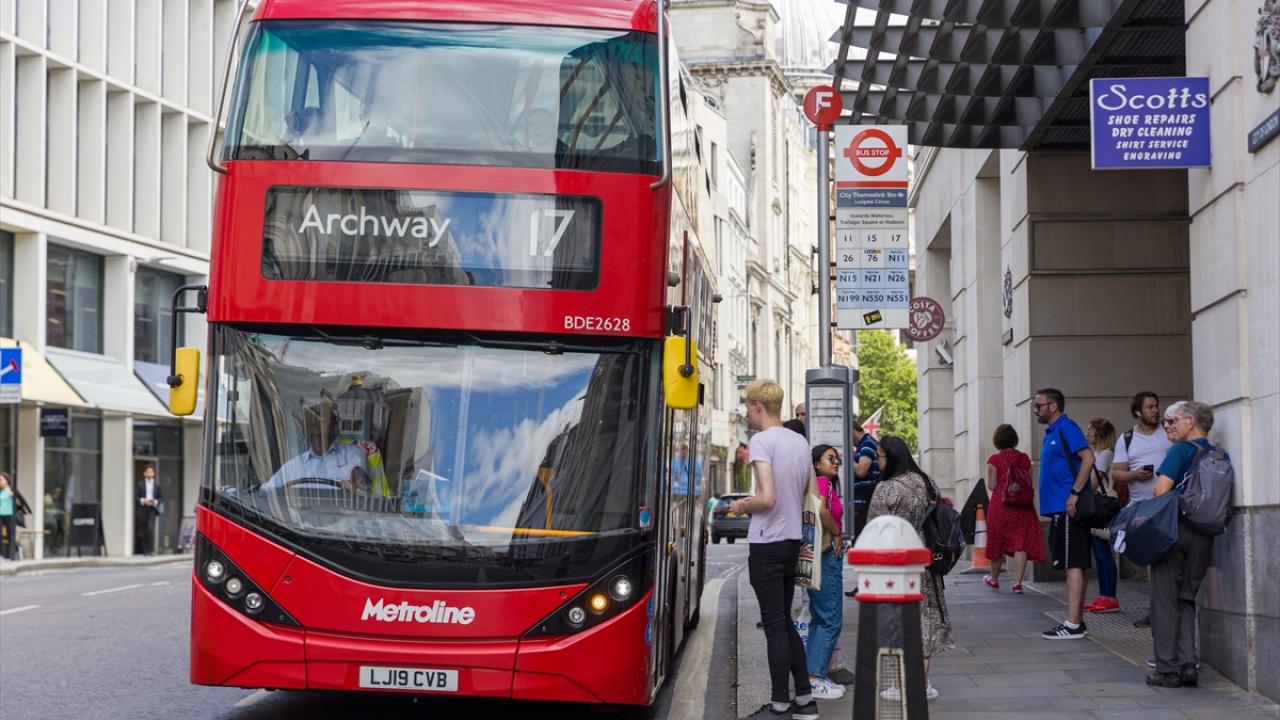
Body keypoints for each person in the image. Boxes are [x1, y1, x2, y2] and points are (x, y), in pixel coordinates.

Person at [729, 379, 819, 720]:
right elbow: (808, 492)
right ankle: (805, 699)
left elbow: (767, 498)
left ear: (757, 406)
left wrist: (741, 505)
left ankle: (779, 704)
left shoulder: (761, 441)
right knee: (784, 620)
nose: (747, 414)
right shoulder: (799, 441)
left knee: (774, 624)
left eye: (747, 408)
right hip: (792, 539)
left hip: (767, 541)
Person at [1147, 401, 1226, 689]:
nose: (1168, 426)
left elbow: (1160, 490)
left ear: (1190, 422)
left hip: (1175, 531)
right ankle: (1188, 663)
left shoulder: (1180, 451)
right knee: (1187, 598)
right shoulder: (1219, 454)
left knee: (1164, 600)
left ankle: (1166, 669)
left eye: (1173, 421)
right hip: (1205, 535)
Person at [869, 435, 954, 700]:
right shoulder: (926, 482)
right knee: (924, 620)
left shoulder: (887, 489)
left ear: (890, 457)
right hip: (925, 558)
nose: (877, 462)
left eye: (879, 457)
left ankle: (901, 685)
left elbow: (874, 527)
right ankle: (922, 683)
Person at [1034, 387, 1097, 640]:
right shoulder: (1053, 431)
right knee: (1074, 563)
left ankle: (1072, 624)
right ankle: (1076, 622)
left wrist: (1075, 492)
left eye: (1039, 405)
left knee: (1073, 564)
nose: (1035, 410)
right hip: (1061, 508)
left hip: (1068, 507)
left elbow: (1088, 458)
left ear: (1053, 406)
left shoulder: (1066, 427)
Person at [1110, 390, 1172, 629]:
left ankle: (1167, 608)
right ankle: (1156, 610)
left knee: (1169, 559)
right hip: (1142, 509)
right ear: (1138, 412)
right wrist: (1135, 475)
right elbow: (1117, 473)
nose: (1155, 411)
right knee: (1151, 561)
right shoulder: (1127, 439)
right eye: (1149, 407)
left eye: (1156, 406)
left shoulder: (1169, 432)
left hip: (1168, 506)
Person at [806, 445, 851, 696]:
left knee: (820, 617)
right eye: (830, 458)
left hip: (820, 555)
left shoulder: (824, 484)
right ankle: (815, 677)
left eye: (837, 459)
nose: (835, 463)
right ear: (816, 464)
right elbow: (821, 510)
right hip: (826, 555)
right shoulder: (822, 482)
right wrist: (836, 533)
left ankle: (813, 675)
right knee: (830, 618)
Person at [982, 424, 1045, 594]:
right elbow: (1029, 484)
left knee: (996, 542)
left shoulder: (994, 460)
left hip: (1000, 505)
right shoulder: (1024, 459)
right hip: (1022, 506)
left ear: (997, 440)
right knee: (1020, 543)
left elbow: (992, 486)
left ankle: (994, 580)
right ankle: (1017, 584)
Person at [262, 399, 370, 492]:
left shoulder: (351, 454)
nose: (321, 427)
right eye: (315, 421)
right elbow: (265, 491)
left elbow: (364, 483)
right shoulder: (294, 466)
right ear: (307, 429)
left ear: (334, 428)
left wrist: (356, 483)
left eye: (326, 422)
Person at [1085, 417, 1121, 614]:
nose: (1086, 434)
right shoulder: (1098, 453)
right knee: (1098, 554)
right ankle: (1103, 595)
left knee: (1103, 553)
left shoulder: (1105, 454)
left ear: (1098, 434)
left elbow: (1093, 482)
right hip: (1097, 507)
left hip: (1101, 507)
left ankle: (1110, 596)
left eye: (1089, 430)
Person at [135, 465, 164, 555]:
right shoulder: (140, 484)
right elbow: (135, 497)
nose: (150, 473)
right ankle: (145, 551)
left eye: (151, 472)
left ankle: (150, 549)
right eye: (148, 472)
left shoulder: (157, 485)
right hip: (143, 509)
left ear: (153, 473)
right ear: (144, 473)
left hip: (152, 508)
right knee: (144, 529)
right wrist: (144, 500)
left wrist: (154, 501)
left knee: (150, 528)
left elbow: (161, 498)